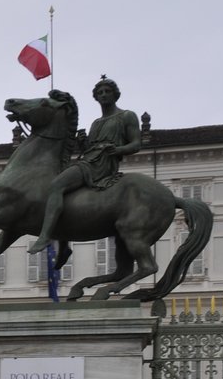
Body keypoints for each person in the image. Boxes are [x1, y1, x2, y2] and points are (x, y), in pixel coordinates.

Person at [30, 76, 143, 254]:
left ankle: (45, 236)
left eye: (107, 91)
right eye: (100, 93)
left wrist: (118, 149)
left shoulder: (127, 116)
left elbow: (136, 144)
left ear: (116, 95)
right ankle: (64, 246)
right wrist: (83, 143)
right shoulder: (96, 123)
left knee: (56, 186)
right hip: (88, 160)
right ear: (96, 97)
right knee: (65, 193)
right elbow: (91, 148)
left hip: (102, 165)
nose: (104, 95)